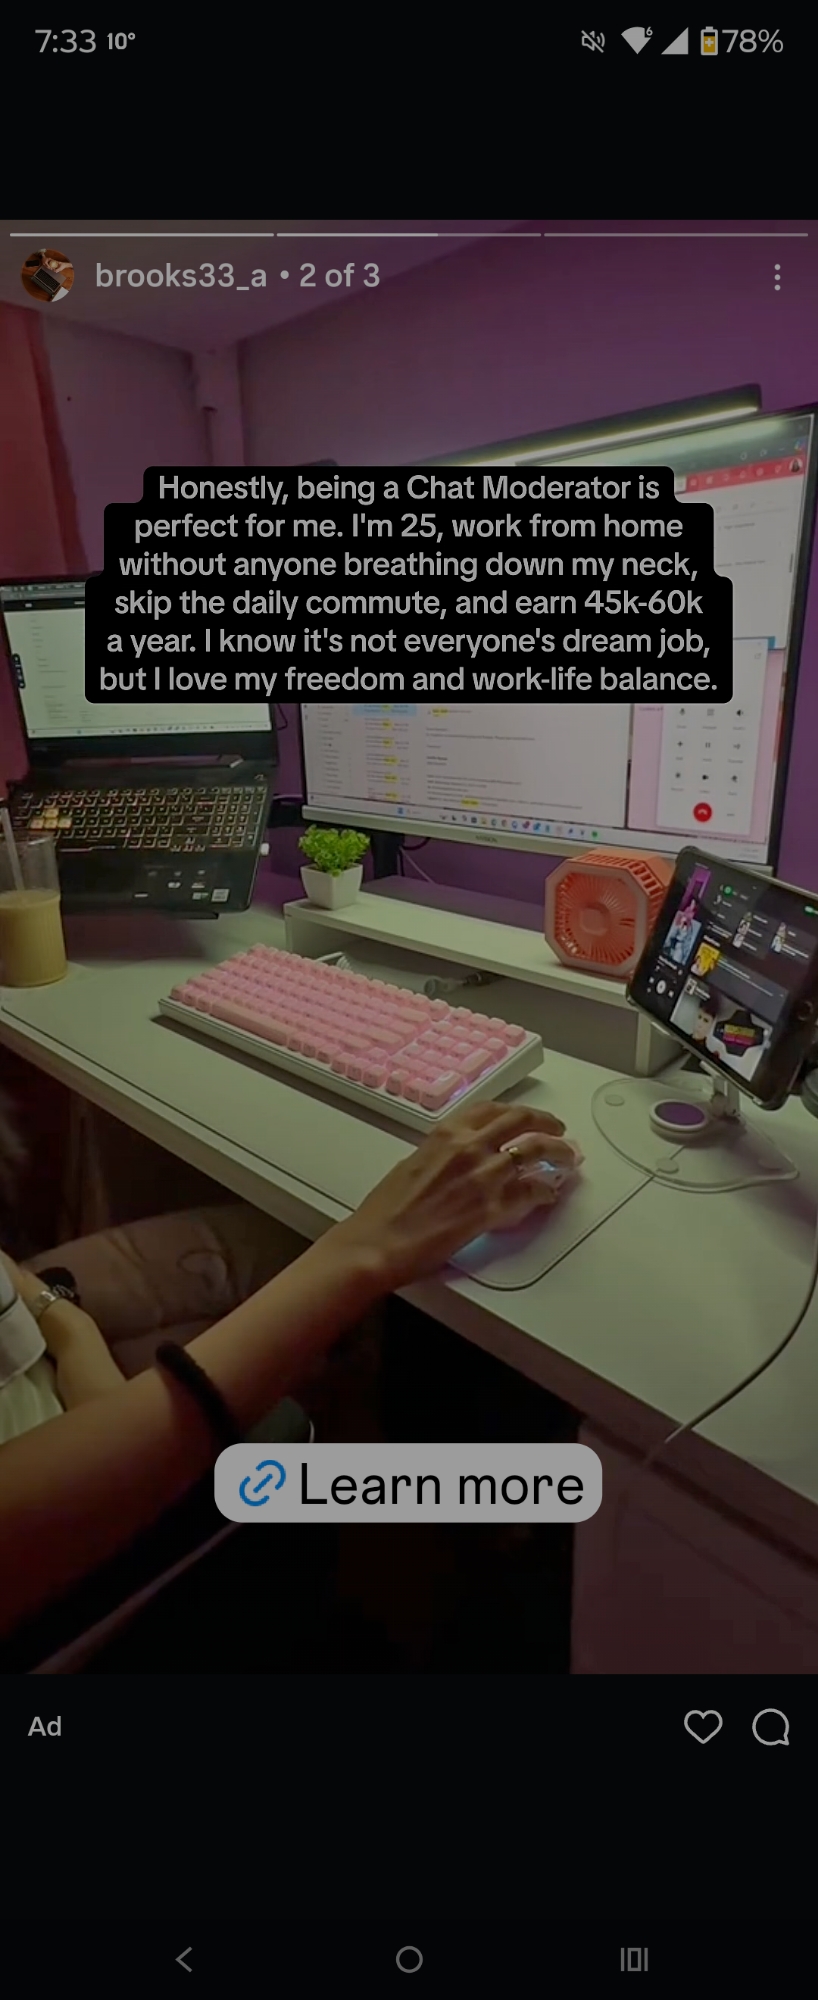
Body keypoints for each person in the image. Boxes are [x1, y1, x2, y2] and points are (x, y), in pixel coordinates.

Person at [0, 1100, 574, 1643]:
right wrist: (371, 1247)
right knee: (382, 1285)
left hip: (34, 1331)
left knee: (293, 1239)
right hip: (63, 1501)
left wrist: (67, 1327)